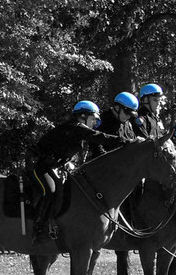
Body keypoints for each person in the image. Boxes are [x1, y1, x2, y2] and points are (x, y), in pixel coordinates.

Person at [27, 100, 128, 249]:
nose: (94, 122)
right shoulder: (75, 128)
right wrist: (124, 141)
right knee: (50, 190)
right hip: (38, 166)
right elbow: (99, 136)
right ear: (82, 116)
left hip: (55, 167)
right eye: (92, 118)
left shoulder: (78, 130)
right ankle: (40, 228)